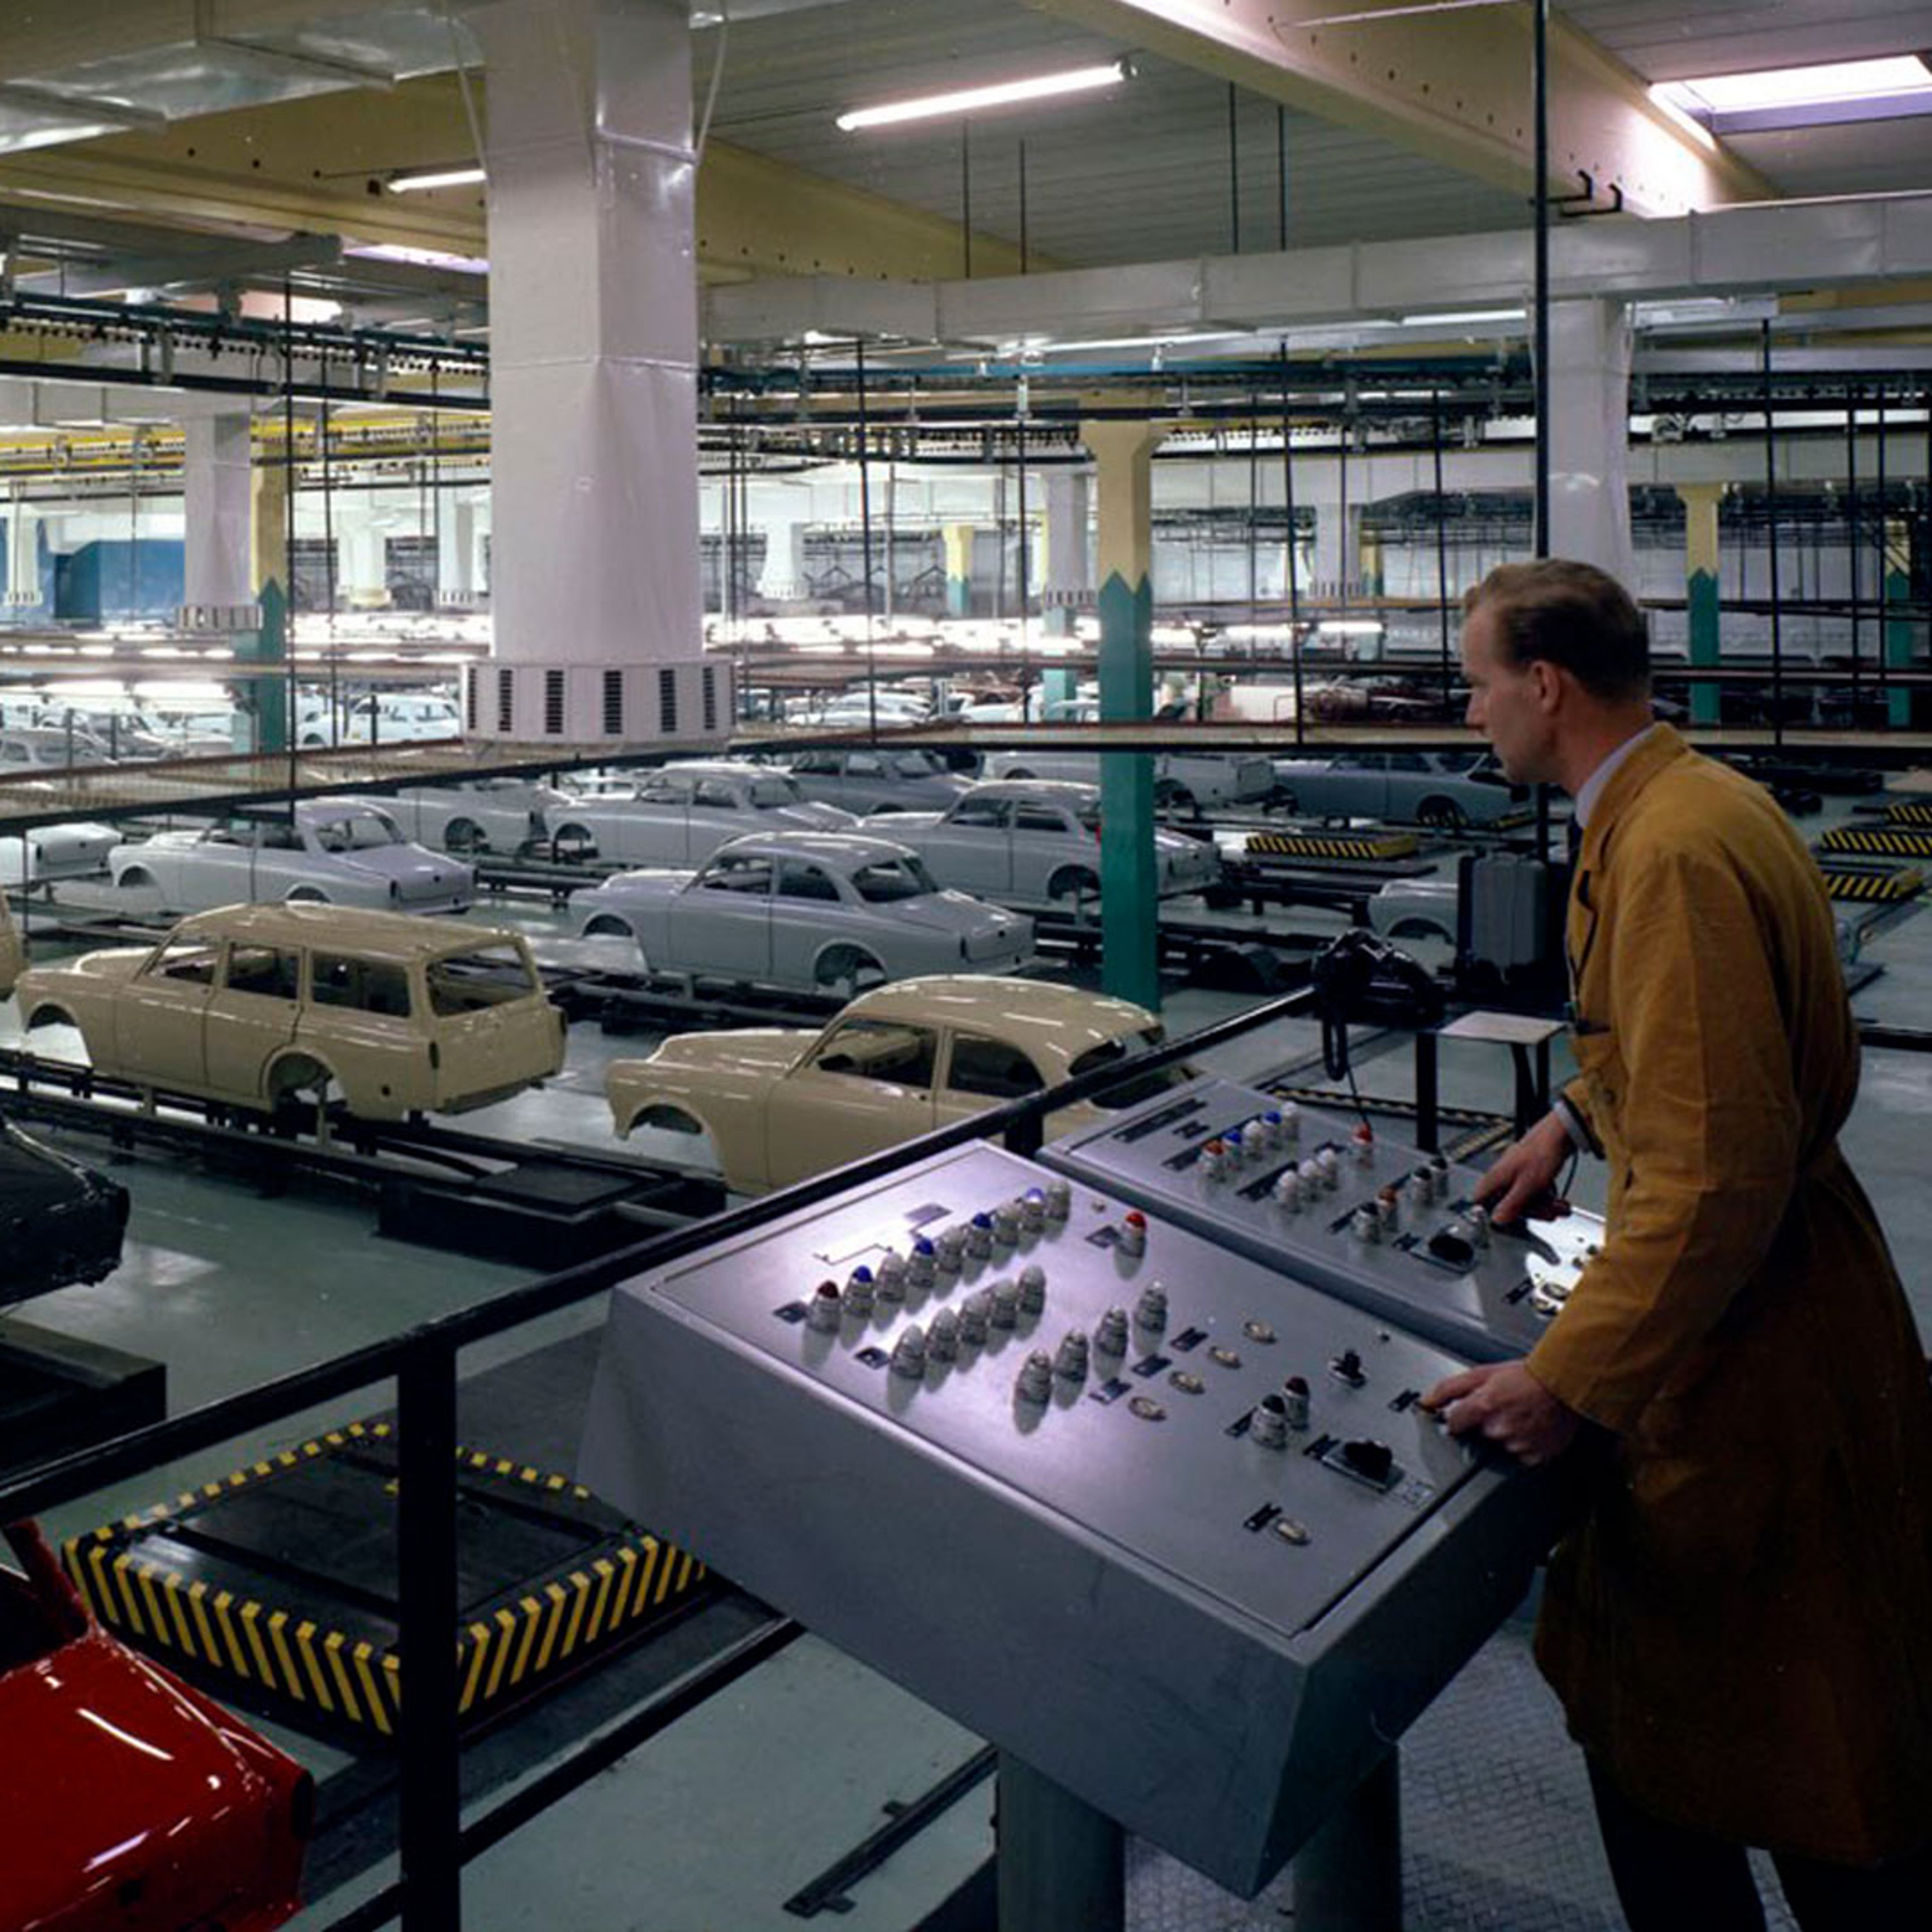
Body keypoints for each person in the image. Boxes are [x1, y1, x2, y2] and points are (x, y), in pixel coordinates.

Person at [1422, 558, 1932, 1930]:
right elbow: (1712, 1038)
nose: (1472, 716)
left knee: (1785, 1761)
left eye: (1479, 685)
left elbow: (1711, 1180)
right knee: (1785, 1732)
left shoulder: (1667, 851)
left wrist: (1565, 1378)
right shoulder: (1694, 800)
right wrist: (1578, 1114)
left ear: (1545, 684)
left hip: (1757, 1352)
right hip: (1785, 1308)